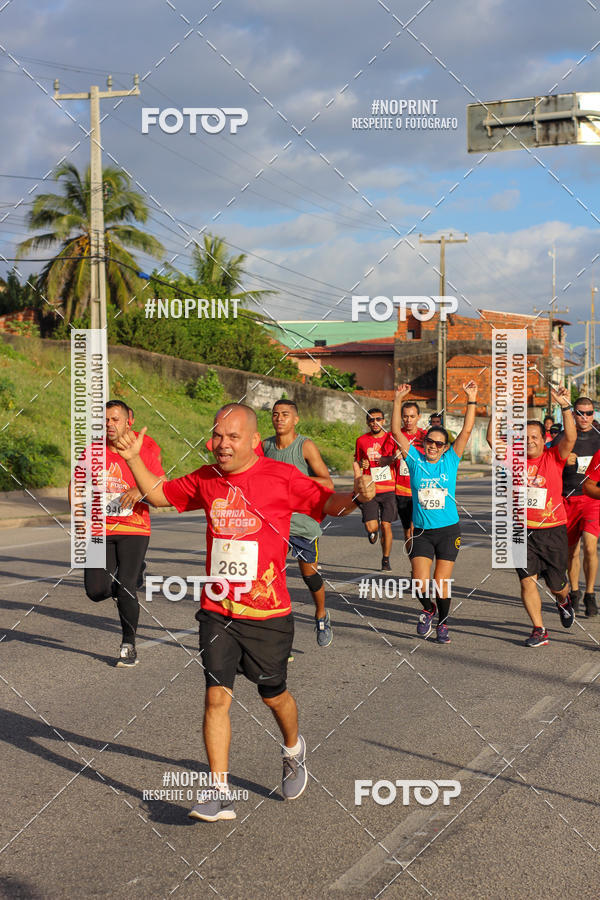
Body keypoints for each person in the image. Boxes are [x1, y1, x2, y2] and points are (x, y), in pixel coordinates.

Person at [115, 403, 375, 821]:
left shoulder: (281, 476)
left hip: (268, 613)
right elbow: (161, 495)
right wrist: (131, 459)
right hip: (218, 609)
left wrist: (359, 497)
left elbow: (330, 504)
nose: (222, 444)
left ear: (254, 441)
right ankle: (219, 792)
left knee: (274, 696)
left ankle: (293, 748)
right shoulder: (206, 478)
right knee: (216, 697)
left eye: (233, 437)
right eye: (218, 435)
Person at [69, 400, 166, 667]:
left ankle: (128, 644)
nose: (110, 425)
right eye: (105, 420)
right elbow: (75, 483)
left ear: (128, 421)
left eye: (115, 419)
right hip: (100, 528)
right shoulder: (93, 450)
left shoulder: (144, 446)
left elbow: (161, 480)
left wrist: (140, 489)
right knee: (96, 591)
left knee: (124, 587)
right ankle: (133, 579)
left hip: (134, 527)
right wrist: (78, 517)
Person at [488, 387, 576, 647]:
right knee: (527, 581)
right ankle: (539, 629)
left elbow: (570, 437)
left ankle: (563, 600)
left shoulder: (554, 456)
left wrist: (565, 406)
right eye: (525, 437)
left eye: (535, 437)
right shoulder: (513, 459)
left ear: (543, 438)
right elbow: (493, 439)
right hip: (521, 530)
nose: (529, 441)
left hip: (553, 529)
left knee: (557, 584)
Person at [392, 382, 478, 643]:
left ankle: (442, 623)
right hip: (421, 532)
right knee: (419, 581)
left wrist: (471, 399)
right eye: (429, 441)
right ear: (425, 442)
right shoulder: (415, 459)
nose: (432, 446)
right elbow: (396, 430)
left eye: (438, 444)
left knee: (441, 581)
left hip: (448, 530)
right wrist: (397, 400)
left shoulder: (451, 461)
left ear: (444, 448)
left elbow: (467, 430)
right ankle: (427, 608)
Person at [262, 399, 334, 647]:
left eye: (284, 414)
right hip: (274, 525)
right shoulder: (265, 447)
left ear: (295, 420)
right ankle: (279, 639)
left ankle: (321, 614)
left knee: (309, 575)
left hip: (302, 524)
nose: (279, 418)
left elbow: (328, 482)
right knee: (272, 580)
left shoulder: (305, 446)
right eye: (275, 414)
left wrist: (296, 484)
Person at [551, 397, 600, 616]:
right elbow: (548, 463)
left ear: (594, 414)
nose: (584, 417)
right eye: (580, 413)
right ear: (573, 414)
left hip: (591, 499)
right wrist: (562, 460)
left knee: (590, 546)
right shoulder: (563, 437)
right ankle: (576, 592)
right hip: (567, 498)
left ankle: (590, 593)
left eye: (589, 413)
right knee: (572, 551)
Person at [354, 407, 397, 571]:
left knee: (386, 524)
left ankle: (385, 559)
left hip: (388, 488)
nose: (375, 422)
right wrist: (361, 464)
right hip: (369, 489)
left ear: (384, 421)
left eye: (378, 419)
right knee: (371, 527)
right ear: (367, 422)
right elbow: (357, 461)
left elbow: (397, 458)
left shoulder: (390, 438)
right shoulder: (361, 440)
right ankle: (374, 531)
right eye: (371, 420)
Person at [394, 401, 427, 546]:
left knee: (416, 529)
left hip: (422, 490)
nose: (408, 420)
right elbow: (383, 461)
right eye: (405, 416)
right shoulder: (396, 436)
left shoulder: (426, 437)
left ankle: (420, 562)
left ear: (418, 417)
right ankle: (414, 563)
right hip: (402, 491)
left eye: (412, 416)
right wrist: (393, 457)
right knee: (407, 531)